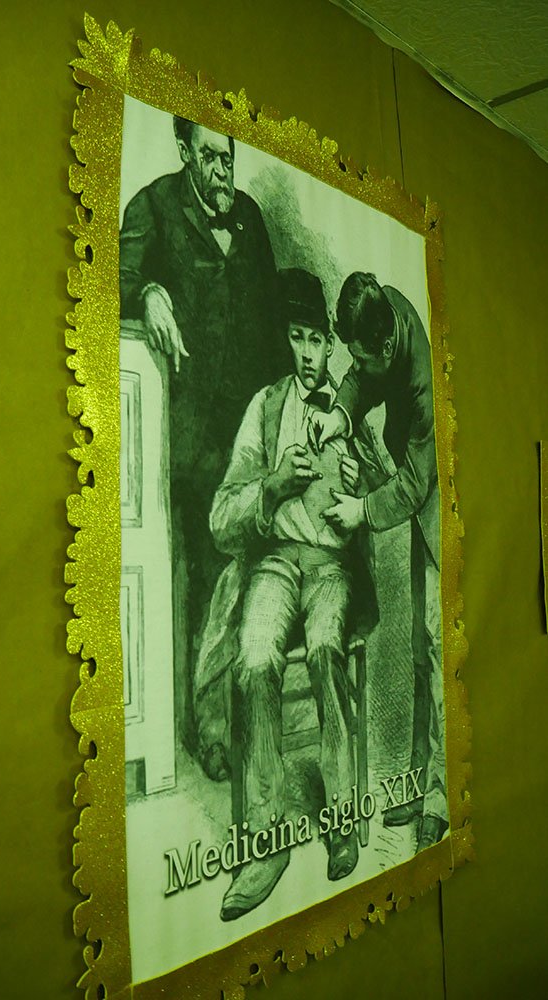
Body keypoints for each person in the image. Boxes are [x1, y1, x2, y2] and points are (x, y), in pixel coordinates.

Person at [197, 268, 377, 921]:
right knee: (253, 660)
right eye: (296, 338)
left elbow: (380, 503)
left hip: (329, 566)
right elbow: (221, 518)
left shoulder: (348, 410)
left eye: (315, 339)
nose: (306, 352)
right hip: (274, 562)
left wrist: (358, 484)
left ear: (331, 343)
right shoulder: (265, 407)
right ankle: (266, 842)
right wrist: (271, 486)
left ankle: (341, 815)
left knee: (326, 650)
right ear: (288, 340)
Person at [119, 115, 281, 753]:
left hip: (252, 436)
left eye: (229, 158)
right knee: (209, 582)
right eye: (211, 157)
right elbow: (107, 281)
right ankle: (210, 734)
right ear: (185, 150)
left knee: (263, 571)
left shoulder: (249, 218)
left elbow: (273, 323)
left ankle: (256, 724)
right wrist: (148, 292)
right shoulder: (154, 207)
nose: (222, 170)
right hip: (193, 441)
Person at [312, 271, 447, 853]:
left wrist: (362, 510)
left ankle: (440, 796)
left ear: (388, 346)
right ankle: (420, 782)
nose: (358, 364)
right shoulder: (381, 307)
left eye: (366, 356)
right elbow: (358, 377)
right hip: (417, 485)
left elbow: (415, 484)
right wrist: (339, 415)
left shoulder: (421, 383)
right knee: (419, 648)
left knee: (438, 646)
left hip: (438, 496)